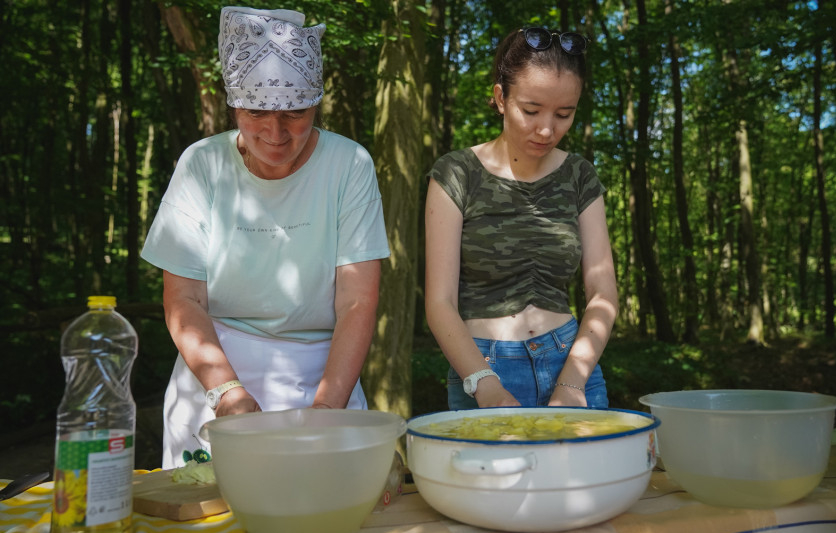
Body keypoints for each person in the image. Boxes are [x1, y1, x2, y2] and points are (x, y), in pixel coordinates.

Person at [141, 6, 390, 468]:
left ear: (316, 105)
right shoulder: (202, 165)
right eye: (257, 111)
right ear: (234, 106)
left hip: (326, 375)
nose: (276, 132)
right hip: (214, 372)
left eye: (295, 113)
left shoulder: (348, 165)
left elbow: (357, 300)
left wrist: (326, 410)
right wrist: (227, 392)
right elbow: (184, 298)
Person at [424, 27, 617, 410]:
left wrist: (573, 382)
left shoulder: (580, 175)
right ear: (500, 98)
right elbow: (440, 302)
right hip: (481, 369)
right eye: (531, 110)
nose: (547, 129)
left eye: (564, 114)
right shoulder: (457, 173)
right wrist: (485, 385)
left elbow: (603, 293)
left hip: (573, 365)